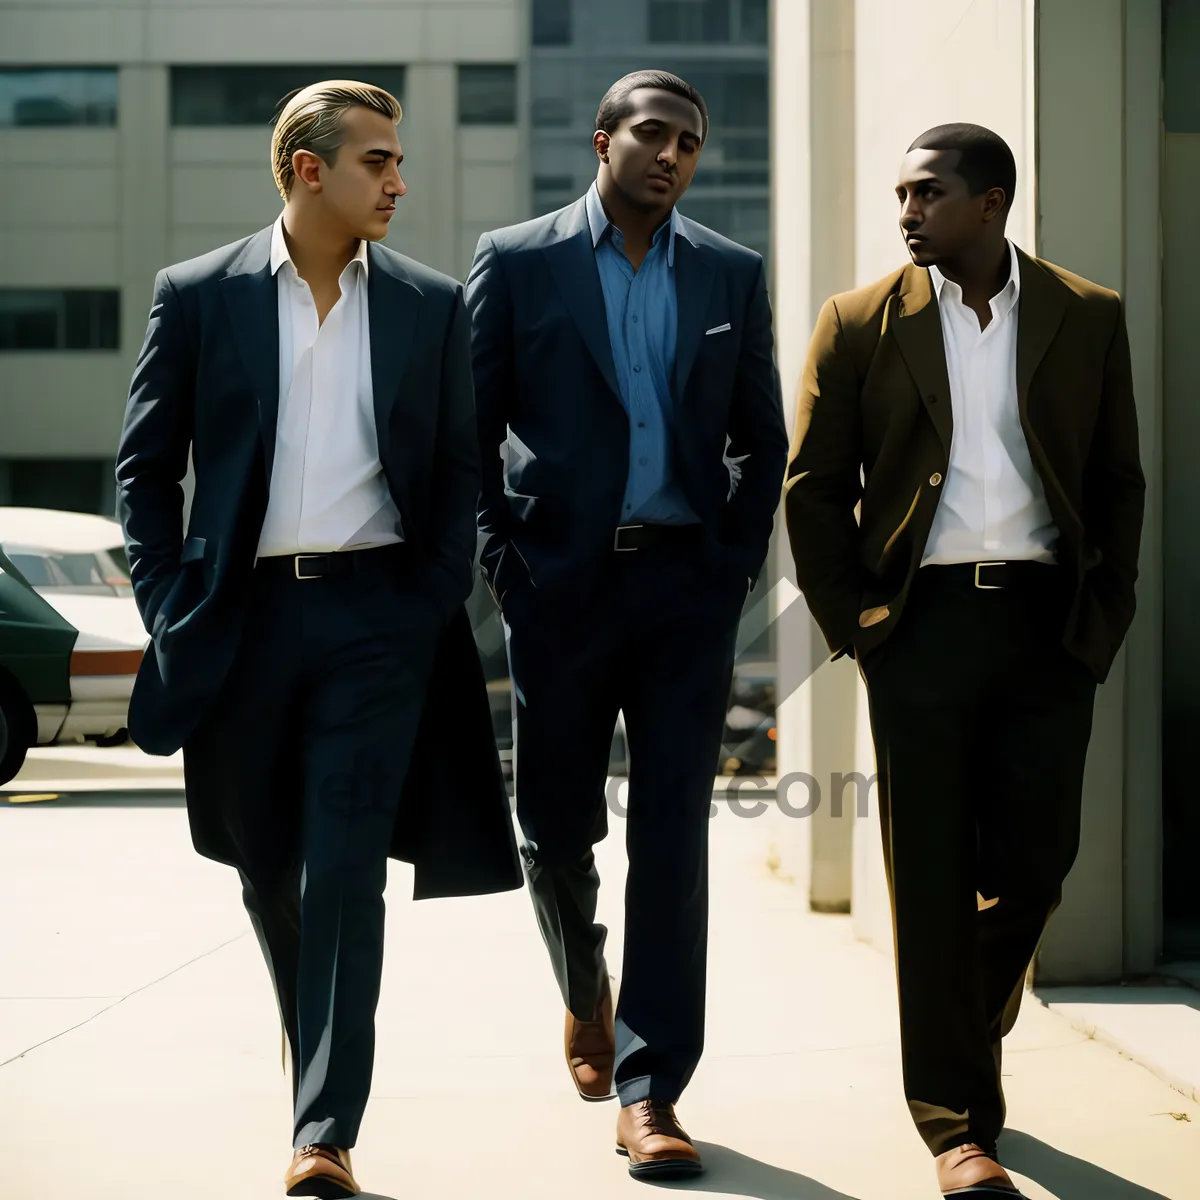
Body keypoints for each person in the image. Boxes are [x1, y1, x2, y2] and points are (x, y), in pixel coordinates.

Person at [116, 80, 521, 1198]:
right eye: (377, 162)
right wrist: (170, 603)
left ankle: (326, 1128)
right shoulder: (197, 295)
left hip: (376, 627)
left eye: (398, 163)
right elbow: (145, 471)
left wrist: (428, 598)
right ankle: (316, 1060)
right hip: (240, 623)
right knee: (267, 870)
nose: (398, 182)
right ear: (308, 169)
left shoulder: (433, 305)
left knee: (347, 871)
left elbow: (457, 473)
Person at [785, 123, 1145, 1197]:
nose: (905, 213)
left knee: (1038, 865)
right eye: (900, 194)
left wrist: (1103, 619)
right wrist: (861, 629)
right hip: (921, 629)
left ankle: (958, 1016)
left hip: (1047, 629)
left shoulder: (1087, 315)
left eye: (927, 194)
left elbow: (1119, 480)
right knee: (932, 877)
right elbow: (813, 487)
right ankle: (956, 1126)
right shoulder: (858, 324)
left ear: (992, 203)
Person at [465, 70, 788, 1180]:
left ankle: (652, 1088)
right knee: (554, 826)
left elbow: (762, 436)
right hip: (559, 591)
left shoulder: (730, 275)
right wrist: (507, 566)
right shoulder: (516, 263)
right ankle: (584, 984)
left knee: (672, 844)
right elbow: (472, 432)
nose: (674, 154)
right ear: (603, 140)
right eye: (654, 133)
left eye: (691, 142)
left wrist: (732, 566)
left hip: (683, 595)